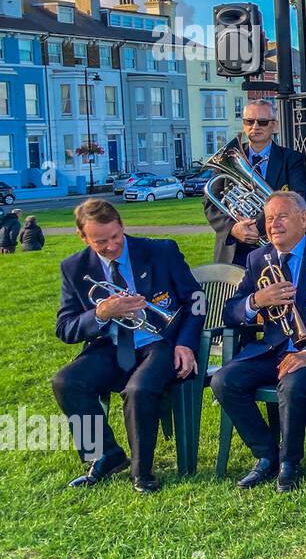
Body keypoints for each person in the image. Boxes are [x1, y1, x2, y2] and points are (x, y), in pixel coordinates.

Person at [52, 198, 200, 492]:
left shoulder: (160, 251)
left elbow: (195, 301)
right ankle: (104, 455)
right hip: (109, 346)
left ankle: (141, 471)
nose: (111, 247)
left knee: (139, 389)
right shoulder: (73, 267)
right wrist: (100, 314)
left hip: (158, 342)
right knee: (65, 381)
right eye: (100, 242)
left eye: (116, 237)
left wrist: (186, 344)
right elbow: (65, 328)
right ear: (83, 237)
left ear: (122, 225)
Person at [212, 191, 306, 491]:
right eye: (269, 217)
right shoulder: (257, 258)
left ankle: (290, 463)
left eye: (282, 216)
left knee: (292, 383)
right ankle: (267, 456)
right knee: (224, 380)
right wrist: (256, 300)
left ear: (303, 219)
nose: (273, 224)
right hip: (273, 349)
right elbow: (231, 311)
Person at [204, 99, 306, 267]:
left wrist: (259, 226)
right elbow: (211, 204)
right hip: (233, 249)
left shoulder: (292, 159)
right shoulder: (228, 158)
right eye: (249, 121)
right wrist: (233, 229)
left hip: (276, 245)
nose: (255, 126)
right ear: (244, 124)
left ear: (274, 126)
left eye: (262, 121)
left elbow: (301, 197)